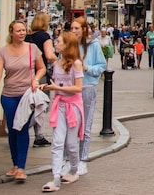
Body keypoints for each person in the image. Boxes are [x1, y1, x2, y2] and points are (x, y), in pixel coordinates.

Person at [0, 20, 47, 184]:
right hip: (8, 95)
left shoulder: (32, 48)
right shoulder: (3, 51)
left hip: (26, 96)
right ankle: (15, 164)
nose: (22, 33)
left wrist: (36, 79)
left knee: (21, 128)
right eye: (18, 30)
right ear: (11, 33)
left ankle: (21, 167)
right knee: (12, 130)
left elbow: (42, 68)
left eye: (23, 30)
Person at [40, 32, 83, 192]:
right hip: (60, 106)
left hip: (73, 107)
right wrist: (45, 87)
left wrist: (56, 88)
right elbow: (56, 84)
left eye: (58, 41)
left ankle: (74, 169)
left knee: (71, 144)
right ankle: (56, 177)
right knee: (57, 142)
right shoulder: (57, 64)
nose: (55, 44)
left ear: (67, 45)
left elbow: (78, 88)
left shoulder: (76, 64)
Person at [70, 17, 106, 176]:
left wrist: (87, 68)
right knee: (69, 126)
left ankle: (82, 160)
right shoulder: (68, 44)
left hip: (87, 87)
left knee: (85, 126)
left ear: (84, 29)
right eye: (72, 28)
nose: (73, 31)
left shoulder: (93, 45)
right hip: (70, 89)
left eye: (76, 28)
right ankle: (69, 159)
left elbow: (102, 65)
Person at [28, 12, 57, 148]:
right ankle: (38, 134)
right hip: (40, 73)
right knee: (41, 104)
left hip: (27, 73)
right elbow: (49, 55)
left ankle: (37, 134)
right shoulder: (45, 36)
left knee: (30, 103)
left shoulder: (27, 37)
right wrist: (62, 63)